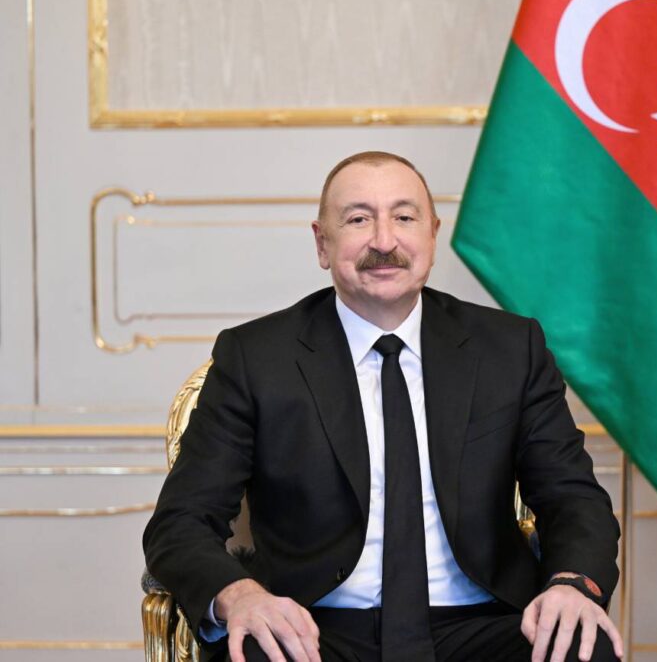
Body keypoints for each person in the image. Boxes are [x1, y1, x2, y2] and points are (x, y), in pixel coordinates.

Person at [143, 151, 622, 662]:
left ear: (432, 235)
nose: (384, 241)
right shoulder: (256, 358)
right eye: (358, 219)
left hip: (484, 623)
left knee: (578, 647)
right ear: (322, 243)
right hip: (311, 628)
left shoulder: (509, 350)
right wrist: (241, 596)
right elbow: (181, 521)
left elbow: (573, 498)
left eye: (404, 217)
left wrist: (572, 584)